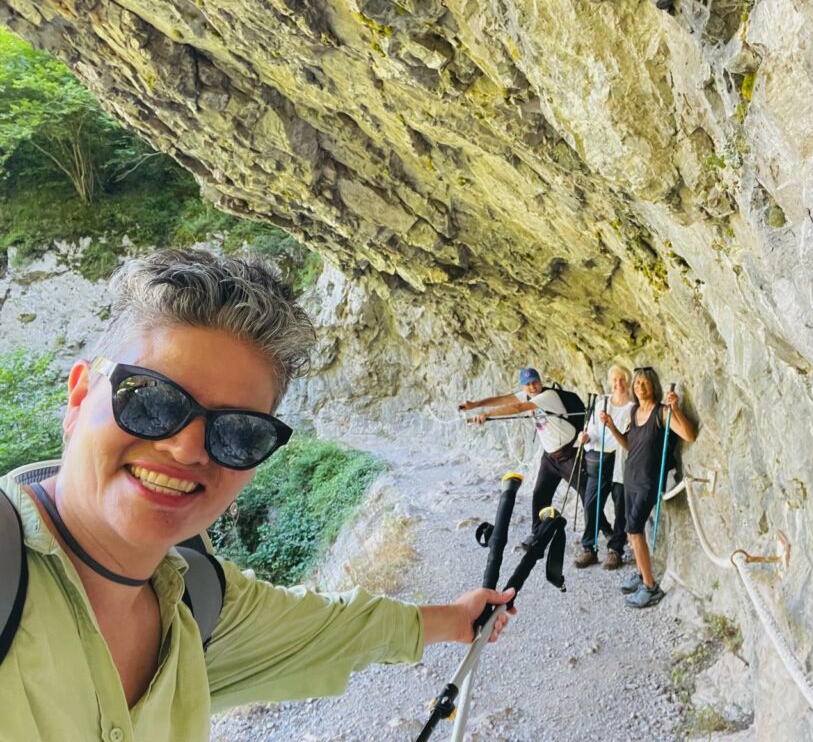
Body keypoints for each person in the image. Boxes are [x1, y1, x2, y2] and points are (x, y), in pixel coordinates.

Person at [0, 249, 515, 741]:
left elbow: (336, 627)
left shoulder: (201, 604)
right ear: (78, 397)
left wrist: (455, 619)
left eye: (238, 432)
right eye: (152, 400)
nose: (185, 448)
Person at [460, 367, 596, 549]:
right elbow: (503, 399)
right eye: (527, 384)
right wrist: (475, 404)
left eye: (535, 382)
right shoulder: (527, 395)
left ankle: (602, 536)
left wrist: (487, 415)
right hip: (549, 457)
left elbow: (517, 407)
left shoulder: (548, 397)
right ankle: (537, 534)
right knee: (540, 495)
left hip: (569, 454)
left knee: (588, 495)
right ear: (523, 387)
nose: (532, 387)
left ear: (541, 381)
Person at [600, 367, 696, 608]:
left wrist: (675, 410)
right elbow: (629, 445)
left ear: (654, 386)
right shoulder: (634, 411)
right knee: (633, 529)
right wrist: (612, 427)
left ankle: (651, 587)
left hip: (649, 480)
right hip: (630, 477)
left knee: (633, 530)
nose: (640, 387)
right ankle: (643, 574)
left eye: (645, 383)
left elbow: (689, 434)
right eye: (637, 383)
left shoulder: (661, 412)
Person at [574, 365, 633, 570]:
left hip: (619, 462)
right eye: (615, 380)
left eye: (622, 379)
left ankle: (615, 549)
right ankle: (589, 548)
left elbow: (628, 440)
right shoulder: (602, 403)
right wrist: (587, 437)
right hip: (598, 461)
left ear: (629, 381)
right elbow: (592, 430)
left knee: (620, 507)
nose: (618, 383)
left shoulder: (632, 408)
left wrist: (611, 427)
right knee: (591, 504)